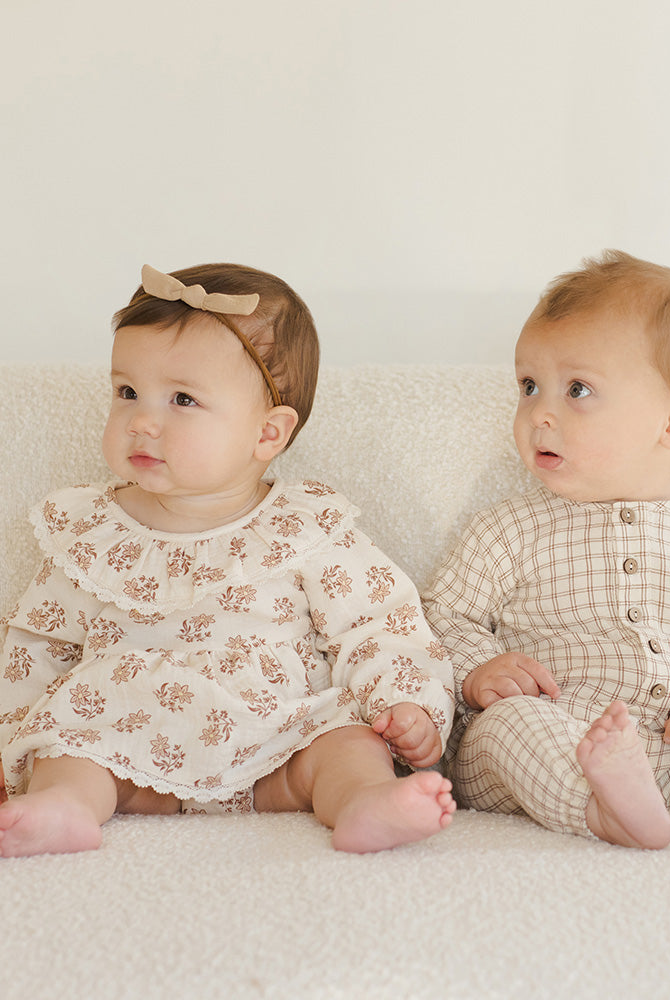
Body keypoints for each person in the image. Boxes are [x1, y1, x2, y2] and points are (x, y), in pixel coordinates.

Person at [0, 263, 455, 857]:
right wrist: (13, 745)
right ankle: (63, 807)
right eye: (127, 392)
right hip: (129, 740)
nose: (142, 420)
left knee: (346, 741)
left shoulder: (303, 527)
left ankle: (363, 800)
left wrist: (406, 703)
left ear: (267, 433)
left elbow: (376, 624)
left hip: (279, 740)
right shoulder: (91, 532)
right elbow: (38, 644)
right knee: (68, 748)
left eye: (182, 399)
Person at [423, 249, 670, 849]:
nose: (539, 413)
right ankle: (598, 805)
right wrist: (479, 670)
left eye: (577, 389)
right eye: (528, 386)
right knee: (506, 727)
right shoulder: (507, 529)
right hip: (558, 734)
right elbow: (440, 615)